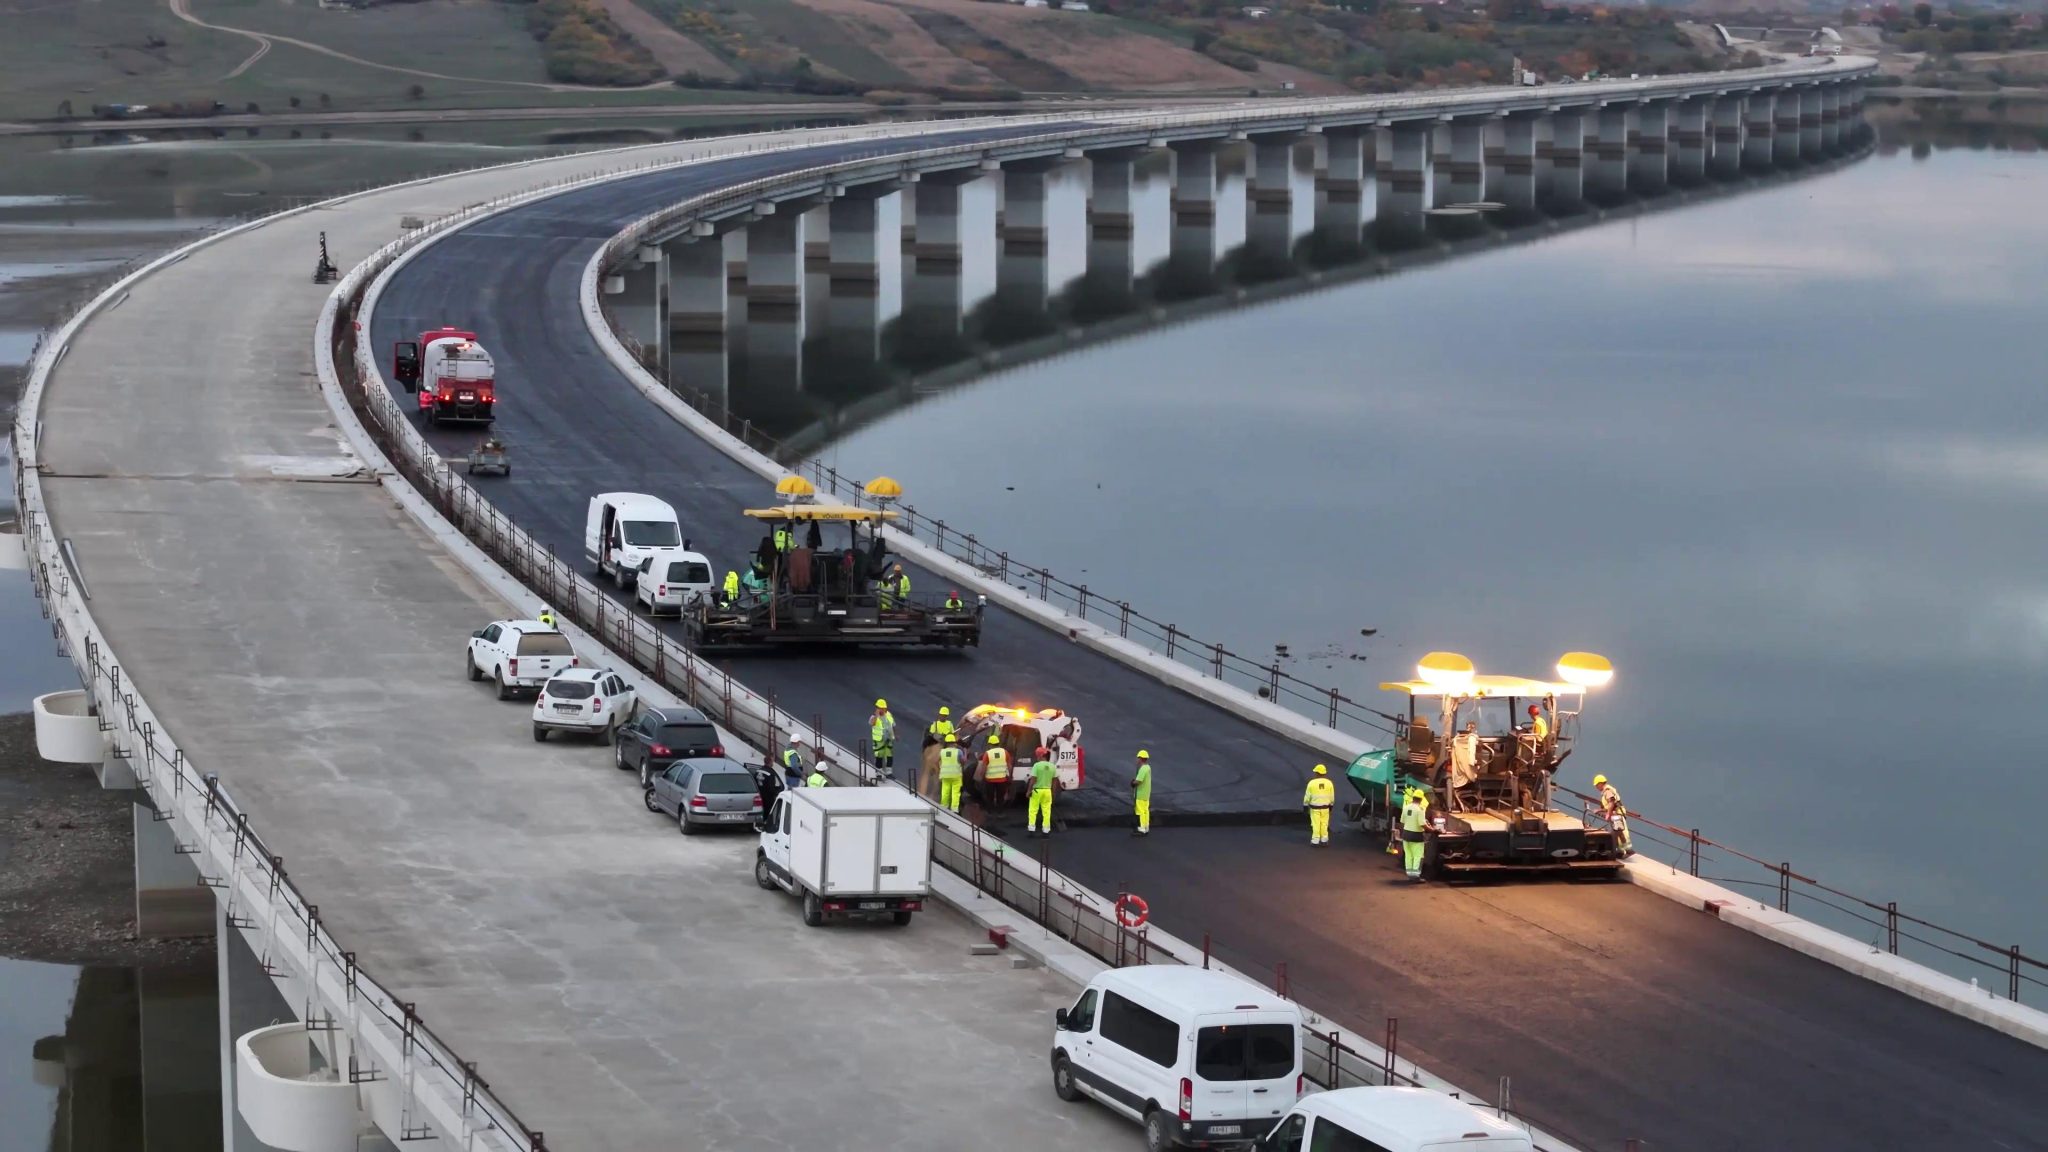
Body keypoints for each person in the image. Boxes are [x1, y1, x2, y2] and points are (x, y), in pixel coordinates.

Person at [1593, 774, 1632, 856]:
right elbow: (1608, 805)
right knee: (1618, 832)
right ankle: (1622, 851)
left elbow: (1611, 802)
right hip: (1616, 814)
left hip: (1617, 814)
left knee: (1619, 832)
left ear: (1600, 783)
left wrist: (1608, 814)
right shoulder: (1606, 791)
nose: (1596, 787)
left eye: (1596, 785)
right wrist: (1600, 810)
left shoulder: (1607, 791)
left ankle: (1626, 850)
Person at [1399, 786, 1430, 881]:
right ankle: (1415, 876)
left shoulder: (1406, 807)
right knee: (1418, 856)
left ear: (1413, 798)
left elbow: (1402, 821)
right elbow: (1422, 824)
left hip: (1405, 835)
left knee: (1408, 855)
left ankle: (1410, 875)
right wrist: (1432, 830)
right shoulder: (1420, 809)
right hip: (1416, 836)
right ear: (1421, 799)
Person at [1026, 746, 1057, 837]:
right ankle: (1046, 831)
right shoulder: (1052, 766)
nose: (1037, 757)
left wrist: (1029, 791)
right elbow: (1055, 781)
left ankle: (1031, 830)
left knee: (1033, 810)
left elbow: (1033, 780)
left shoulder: (1037, 766)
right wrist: (1053, 792)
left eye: (1038, 755)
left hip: (1037, 791)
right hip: (1047, 791)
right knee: (1046, 811)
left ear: (1041, 756)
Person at [1303, 763, 1336, 846]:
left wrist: (1305, 806)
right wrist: (1331, 805)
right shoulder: (1329, 783)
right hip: (1325, 808)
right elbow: (1332, 796)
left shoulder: (1311, 783)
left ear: (1317, 773)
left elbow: (1307, 796)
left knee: (1315, 824)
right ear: (1324, 773)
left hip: (1315, 808)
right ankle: (1324, 840)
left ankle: (1315, 841)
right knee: (1324, 824)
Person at [981, 733, 1011, 815]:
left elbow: (984, 767)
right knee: (1000, 797)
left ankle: (989, 812)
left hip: (990, 779)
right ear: (998, 743)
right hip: (1002, 779)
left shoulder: (987, 753)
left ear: (990, 744)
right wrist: (1009, 776)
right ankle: (1000, 813)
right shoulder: (1005, 752)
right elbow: (1009, 766)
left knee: (989, 797)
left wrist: (982, 777)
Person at [937, 735, 965, 813]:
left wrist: (940, 769)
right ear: (954, 743)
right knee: (955, 792)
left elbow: (937, 761)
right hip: (956, 775)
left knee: (945, 791)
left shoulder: (942, 752)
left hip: (945, 775)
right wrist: (965, 752)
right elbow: (963, 761)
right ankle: (954, 809)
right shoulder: (958, 752)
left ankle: (943, 807)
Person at [869, 699, 896, 773]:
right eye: (878, 708)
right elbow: (872, 723)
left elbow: (893, 724)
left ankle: (889, 773)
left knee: (889, 756)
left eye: (881, 708)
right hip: (879, 741)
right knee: (879, 757)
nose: (879, 709)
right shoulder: (874, 717)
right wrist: (876, 716)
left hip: (888, 740)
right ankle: (878, 773)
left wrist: (895, 735)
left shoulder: (889, 715)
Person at [1131, 750, 1153, 837]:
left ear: (1140, 759)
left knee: (1140, 812)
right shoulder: (1148, 767)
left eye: (1138, 758)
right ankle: (1146, 827)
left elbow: (1138, 781)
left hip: (1140, 794)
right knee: (1145, 811)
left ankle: (1141, 829)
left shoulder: (1143, 769)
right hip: (1146, 794)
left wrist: (1133, 783)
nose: (1137, 760)